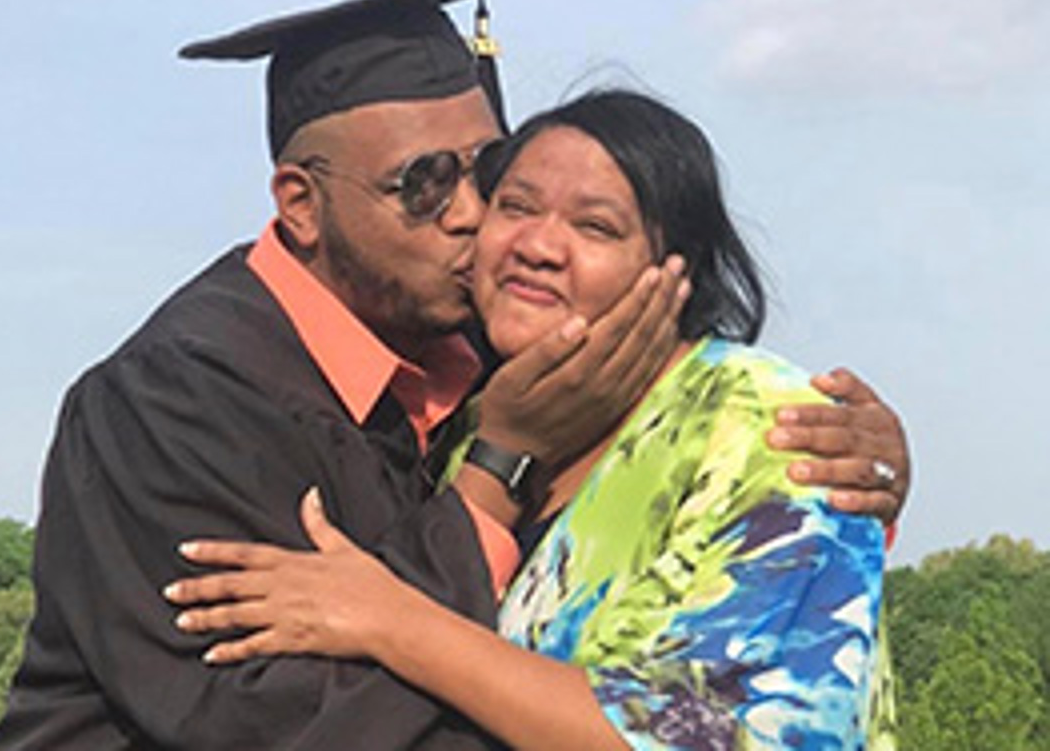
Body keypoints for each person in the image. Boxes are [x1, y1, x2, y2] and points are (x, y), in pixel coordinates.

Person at [0, 0, 908, 750]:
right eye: (424, 184)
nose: (475, 217)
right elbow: (274, 717)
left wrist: (842, 479)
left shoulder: (480, 363)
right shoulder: (176, 400)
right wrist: (492, 474)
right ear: (301, 206)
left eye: (485, 171)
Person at [166, 89, 897, 749]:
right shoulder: (486, 427)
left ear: (676, 270)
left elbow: (719, 737)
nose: (538, 247)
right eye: (514, 207)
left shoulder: (768, 430)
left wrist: (392, 620)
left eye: (596, 226)